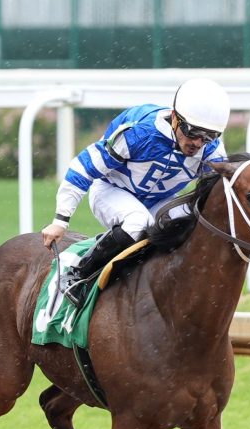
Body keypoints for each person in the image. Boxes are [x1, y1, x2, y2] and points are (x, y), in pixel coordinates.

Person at [40, 77, 230, 306]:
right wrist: (60, 220)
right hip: (111, 189)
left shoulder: (212, 150)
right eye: (193, 132)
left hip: (161, 200)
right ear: (175, 118)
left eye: (209, 136)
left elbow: (222, 193)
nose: (199, 143)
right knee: (139, 221)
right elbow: (82, 167)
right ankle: (79, 275)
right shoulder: (139, 134)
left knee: (193, 223)